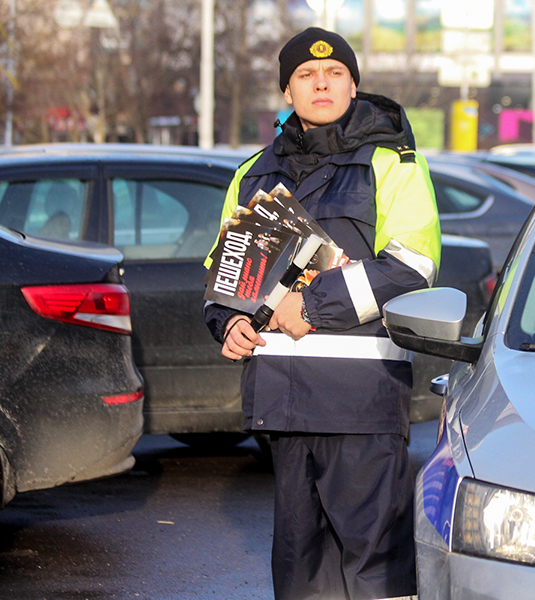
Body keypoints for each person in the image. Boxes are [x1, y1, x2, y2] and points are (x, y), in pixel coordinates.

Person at [203, 27, 441, 600]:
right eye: (306, 76)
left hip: (360, 399)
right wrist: (229, 322)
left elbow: (415, 263)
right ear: (288, 91)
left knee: (374, 569)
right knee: (298, 569)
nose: (321, 83)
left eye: (335, 73)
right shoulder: (253, 173)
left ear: (354, 85)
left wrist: (311, 306)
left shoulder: (394, 162)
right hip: (282, 401)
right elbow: (223, 274)